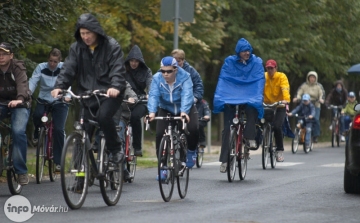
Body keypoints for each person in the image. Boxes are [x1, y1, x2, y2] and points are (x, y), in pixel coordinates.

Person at [51, 13, 126, 166]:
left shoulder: (112, 46)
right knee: (82, 131)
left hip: (109, 94)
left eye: (88, 33)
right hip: (86, 94)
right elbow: (68, 69)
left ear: (96, 31)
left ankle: (116, 148)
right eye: (82, 33)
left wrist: (115, 87)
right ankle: (79, 177)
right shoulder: (76, 48)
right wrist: (60, 86)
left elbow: (117, 70)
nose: (85, 37)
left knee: (104, 117)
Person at [213, 38, 265, 173]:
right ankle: (224, 161)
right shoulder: (229, 62)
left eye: (248, 50)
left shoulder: (257, 62)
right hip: (231, 96)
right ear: (238, 52)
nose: (246, 53)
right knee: (227, 128)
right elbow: (223, 80)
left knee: (251, 108)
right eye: (243, 51)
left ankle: (250, 137)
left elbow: (259, 80)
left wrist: (256, 96)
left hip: (249, 95)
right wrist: (220, 96)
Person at [147, 56, 199, 178]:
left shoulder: (185, 76)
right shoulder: (156, 78)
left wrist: (184, 111)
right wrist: (152, 112)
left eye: (169, 71)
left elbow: (187, 94)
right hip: (166, 108)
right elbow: (153, 95)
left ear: (175, 69)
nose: (165, 74)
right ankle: (162, 167)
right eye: (163, 71)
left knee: (193, 128)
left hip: (185, 107)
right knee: (160, 134)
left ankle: (191, 151)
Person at [29, 48, 70, 171]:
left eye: (55, 62)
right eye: (51, 61)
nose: (52, 64)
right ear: (48, 59)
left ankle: (58, 162)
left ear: (59, 61)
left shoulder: (64, 68)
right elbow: (33, 81)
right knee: (37, 115)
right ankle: (36, 132)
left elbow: (68, 83)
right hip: (44, 98)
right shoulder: (41, 67)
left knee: (58, 129)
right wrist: (28, 93)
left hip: (60, 100)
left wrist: (67, 96)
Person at [0, 42, 31, 185]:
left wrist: (19, 99)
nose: (1, 57)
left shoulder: (17, 67)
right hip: (2, 103)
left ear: (11, 56)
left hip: (20, 103)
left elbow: (22, 85)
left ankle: (21, 171)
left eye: (4, 54)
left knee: (18, 131)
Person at [124, 45, 152, 157]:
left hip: (141, 100)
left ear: (140, 61)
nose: (134, 63)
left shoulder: (146, 71)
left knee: (134, 117)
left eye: (136, 61)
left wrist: (149, 94)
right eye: (132, 60)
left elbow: (150, 83)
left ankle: (137, 147)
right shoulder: (123, 70)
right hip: (125, 99)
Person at [263, 59, 290, 162]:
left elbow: (285, 88)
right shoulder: (263, 76)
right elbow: (258, 88)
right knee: (259, 123)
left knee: (277, 126)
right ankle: (254, 142)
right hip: (267, 105)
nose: (270, 70)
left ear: (276, 68)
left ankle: (279, 150)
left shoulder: (281, 76)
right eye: (268, 68)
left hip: (279, 106)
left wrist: (285, 100)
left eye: (272, 68)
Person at [293, 71, 324, 143]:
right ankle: (300, 135)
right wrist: (297, 98)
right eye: (310, 77)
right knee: (300, 118)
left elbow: (322, 94)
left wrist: (321, 99)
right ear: (308, 78)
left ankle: (315, 135)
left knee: (315, 119)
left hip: (315, 104)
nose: (312, 79)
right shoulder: (304, 85)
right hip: (305, 103)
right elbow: (299, 92)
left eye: (313, 77)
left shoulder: (319, 86)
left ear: (316, 78)